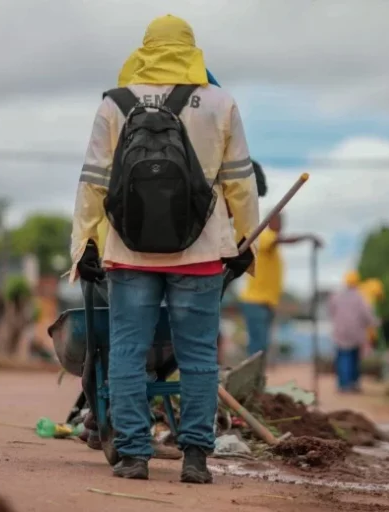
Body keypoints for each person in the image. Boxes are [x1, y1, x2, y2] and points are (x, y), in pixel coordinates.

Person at [69, 15, 259, 483]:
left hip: (128, 252)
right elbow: (240, 181)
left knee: (128, 352)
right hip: (201, 252)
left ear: (145, 49)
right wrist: (246, 241)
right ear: (192, 51)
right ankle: (195, 457)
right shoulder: (220, 102)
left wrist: (84, 245)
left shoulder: (114, 104)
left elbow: (93, 181)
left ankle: (134, 455)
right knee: (197, 356)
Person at [237, 212, 321, 359]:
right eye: (278, 221)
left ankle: (257, 378)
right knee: (258, 346)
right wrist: (307, 237)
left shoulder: (273, 246)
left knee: (262, 346)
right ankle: (252, 379)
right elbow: (280, 240)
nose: (281, 225)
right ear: (270, 221)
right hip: (256, 301)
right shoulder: (264, 236)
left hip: (266, 303)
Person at [328, 271, 380, 393]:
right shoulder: (360, 297)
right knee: (352, 359)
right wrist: (375, 322)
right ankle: (351, 384)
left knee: (342, 358)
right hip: (355, 333)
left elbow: (331, 311)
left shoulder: (336, 296)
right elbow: (367, 314)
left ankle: (342, 384)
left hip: (339, 332)